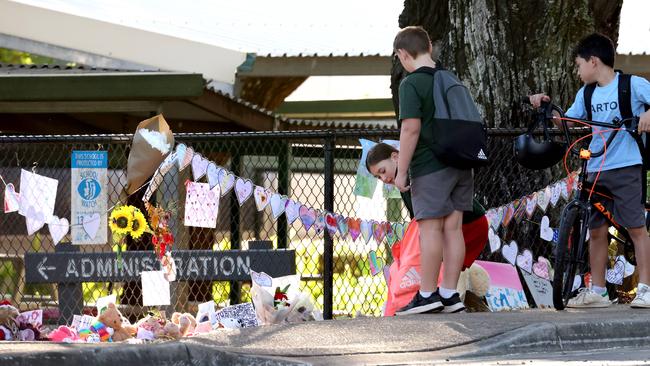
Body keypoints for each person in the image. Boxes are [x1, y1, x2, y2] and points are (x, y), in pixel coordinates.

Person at [528, 32, 650, 308]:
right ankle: (598, 290)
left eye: (578, 64)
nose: (577, 70)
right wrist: (547, 109)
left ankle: (645, 289)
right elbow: (567, 122)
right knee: (596, 230)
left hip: (626, 166)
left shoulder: (633, 85)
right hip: (594, 169)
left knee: (636, 228)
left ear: (593, 61)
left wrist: (647, 114)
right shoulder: (587, 93)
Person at [391, 26, 475, 314]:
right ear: (429, 47)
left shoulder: (411, 84)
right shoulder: (450, 77)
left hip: (430, 165)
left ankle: (427, 294)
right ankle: (450, 293)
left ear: (403, 55)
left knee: (430, 230)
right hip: (462, 163)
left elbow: (411, 129)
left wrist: (401, 171)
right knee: (453, 229)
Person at [366, 142, 487, 271]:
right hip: (453, 227)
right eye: (378, 177)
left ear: (395, 157)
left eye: (383, 171)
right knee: (443, 272)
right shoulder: (404, 185)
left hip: (469, 224)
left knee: (443, 272)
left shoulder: (415, 171)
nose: (383, 178)